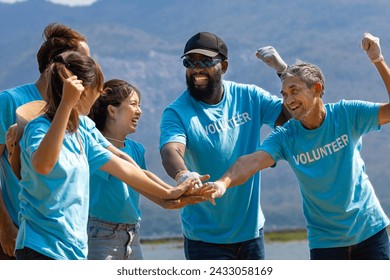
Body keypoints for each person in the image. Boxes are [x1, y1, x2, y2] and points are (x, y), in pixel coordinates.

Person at [15, 51, 213, 260]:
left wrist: (170, 193)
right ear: (81, 91)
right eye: (97, 88)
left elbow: (126, 167)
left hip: (73, 251)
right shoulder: (39, 128)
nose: (99, 94)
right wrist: (65, 105)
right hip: (39, 248)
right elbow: (43, 165)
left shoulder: (83, 130)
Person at [209, 33, 390, 260]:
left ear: (316, 88)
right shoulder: (286, 136)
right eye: (284, 94)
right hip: (326, 242)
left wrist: (378, 60)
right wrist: (222, 182)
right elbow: (252, 161)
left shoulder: (346, 115)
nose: (288, 100)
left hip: (370, 231)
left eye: (294, 91)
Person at [159, 31, 290, 260]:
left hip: (251, 234)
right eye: (190, 62)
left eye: (206, 62)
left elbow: (291, 119)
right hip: (204, 240)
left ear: (224, 66)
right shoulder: (177, 111)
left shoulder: (249, 96)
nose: (197, 69)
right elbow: (171, 150)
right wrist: (183, 174)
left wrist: (285, 72)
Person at [87, 79, 209, 260]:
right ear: (112, 110)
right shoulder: (94, 145)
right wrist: (172, 192)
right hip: (100, 236)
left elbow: (142, 182)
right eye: (134, 104)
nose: (139, 111)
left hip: (132, 235)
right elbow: (134, 173)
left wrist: (177, 197)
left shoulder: (136, 149)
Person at [0, 22, 90, 259]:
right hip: (20, 235)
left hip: (62, 242)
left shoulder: (72, 110)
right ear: (57, 66)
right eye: (82, 62)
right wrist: (4, 226)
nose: (89, 69)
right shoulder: (10, 101)